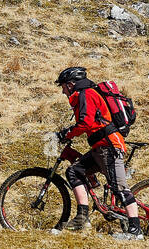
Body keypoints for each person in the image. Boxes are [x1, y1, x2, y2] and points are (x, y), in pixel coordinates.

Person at [52, 66, 140, 235]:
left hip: (109, 147)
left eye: (63, 87)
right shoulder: (83, 96)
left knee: (119, 188)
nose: (63, 92)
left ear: (70, 85)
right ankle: (82, 218)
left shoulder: (87, 94)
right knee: (74, 171)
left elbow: (85, 123)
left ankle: (136, 232)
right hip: (100, 149)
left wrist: (67, 133)